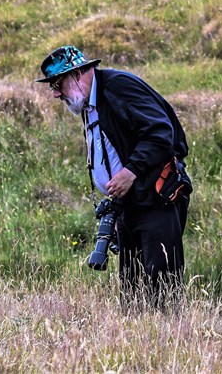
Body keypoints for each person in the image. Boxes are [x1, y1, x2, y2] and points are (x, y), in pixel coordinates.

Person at [35, 46, 192, 305]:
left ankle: (168, 341)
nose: (54, 93)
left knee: (163, 293)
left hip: (156, 202)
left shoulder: (119, 87)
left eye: (57, 83)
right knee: (132, 296)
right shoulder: (89, 104)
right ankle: (136, 343)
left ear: (77, 75)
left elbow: (161, 132)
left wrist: (131, 172)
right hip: (128, 207)